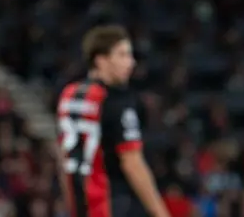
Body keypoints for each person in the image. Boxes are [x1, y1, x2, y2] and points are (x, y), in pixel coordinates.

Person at [56, 25, 169, 217]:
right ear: (101, 60)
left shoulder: (69, 94)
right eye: (122, 55)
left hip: (81, 205)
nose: (130, 63)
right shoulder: (117, 100)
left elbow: (64, 155)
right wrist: (160, 213)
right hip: (114, 203)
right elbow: (132, 162)